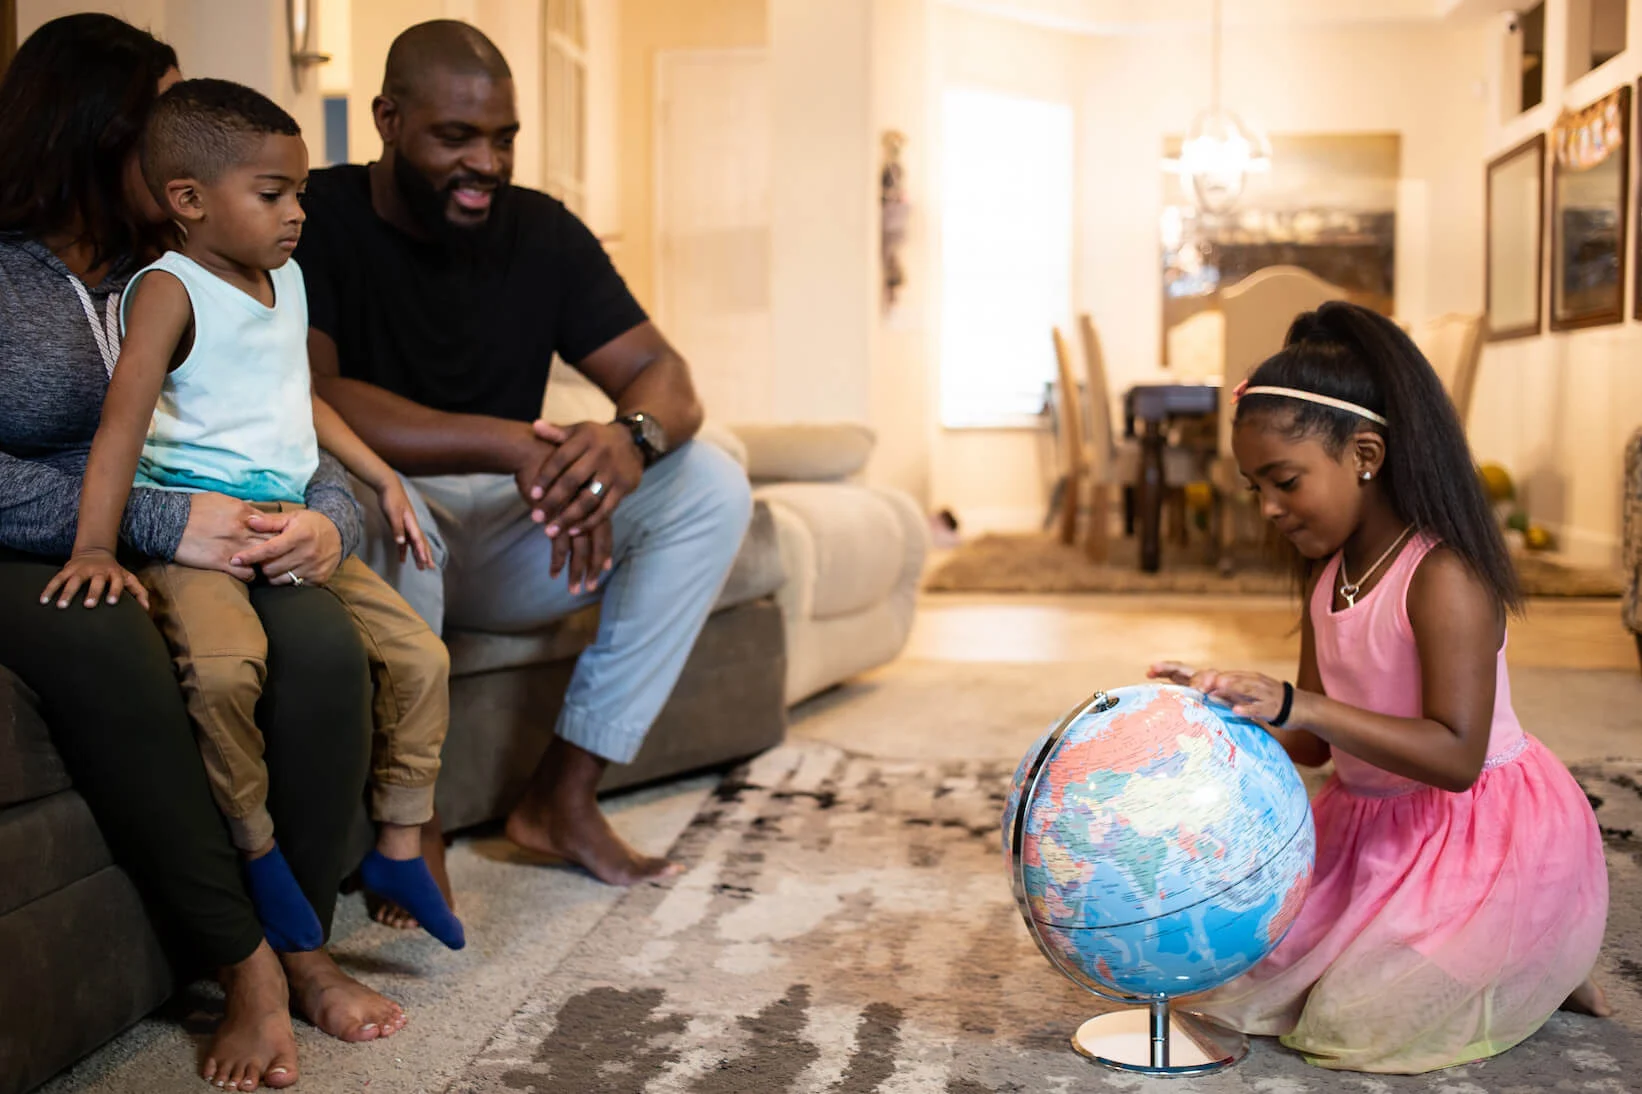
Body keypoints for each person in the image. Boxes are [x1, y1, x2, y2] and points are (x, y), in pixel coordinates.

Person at [0, 17, 405, 1091]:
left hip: (221, 523)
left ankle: (305, 937)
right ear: (96, 133)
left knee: (321, 647)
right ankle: (248, 967)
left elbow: (280, 412)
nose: (190, 144)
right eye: (162, 119)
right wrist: (149, 522)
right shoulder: (6, 279)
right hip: (35, 537)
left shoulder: (206, 267)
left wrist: (329, 515)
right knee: (118, 648)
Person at [293, 20, 753, 918]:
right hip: (386, 516)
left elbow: (667, 378)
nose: (488, 162)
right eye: (456, 137)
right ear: (388, 118)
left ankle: (562, 797)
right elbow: (317, 393)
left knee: (710, 482)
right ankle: (409, 817)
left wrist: (628, 440)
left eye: (503, 137)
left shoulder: (543, 232)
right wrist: (511, 442)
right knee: (366, 492)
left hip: (511, 537)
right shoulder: (318, 216)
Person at [41, 78, 465, 953]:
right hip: (201, 538)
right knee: (229, 673)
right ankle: (257, 850)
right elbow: (119, 426)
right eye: (273, 195)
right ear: (189, 202)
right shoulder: (169, 289)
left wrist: (381, 476)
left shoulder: (288, 278)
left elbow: (297, 395)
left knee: (421, 657)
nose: (297, 212)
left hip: (293, 521)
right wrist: (94, 542)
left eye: (300, 192)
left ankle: (395, 845)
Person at [1148, 301, 1609, 1073]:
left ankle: (1540, 944)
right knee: (1240, 978)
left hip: (1475, 832)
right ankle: (1517, 953)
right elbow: (1315, 742)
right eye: (1253, 486)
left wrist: (1297, 703)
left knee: (1358, 1020)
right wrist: (1224, 701)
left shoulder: (1443, 575)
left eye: (1284, 481)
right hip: (1369, 829)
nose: (1267, 509)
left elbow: (1457, 756)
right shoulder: (1331, 577)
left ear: (1365, 453)